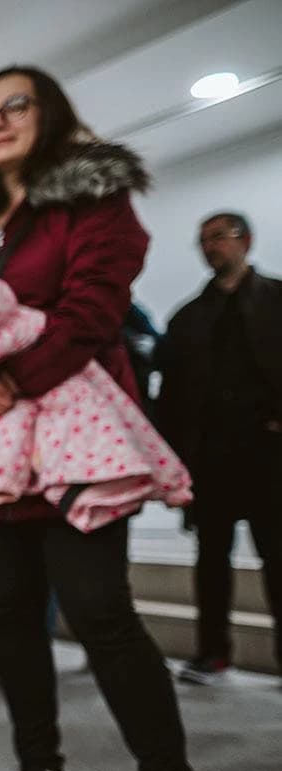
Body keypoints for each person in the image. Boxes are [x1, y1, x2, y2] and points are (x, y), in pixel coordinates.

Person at [0, 65, 219, 771]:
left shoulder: (93, 199)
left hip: (74, 443)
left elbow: (92, 308)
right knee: (11, 617)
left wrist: (6, 380)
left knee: (100, 614)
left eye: (14, 104)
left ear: (48, 114)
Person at [159, 212, 282, 686]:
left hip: (269, 455)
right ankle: (212, 653)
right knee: (211, 558)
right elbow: (172, 397)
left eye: (218, 237)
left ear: (245, 240)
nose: (210, 247)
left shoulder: (277, 301)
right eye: (203, 240)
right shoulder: (188, 318)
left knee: (278, 556)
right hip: (210, 457)